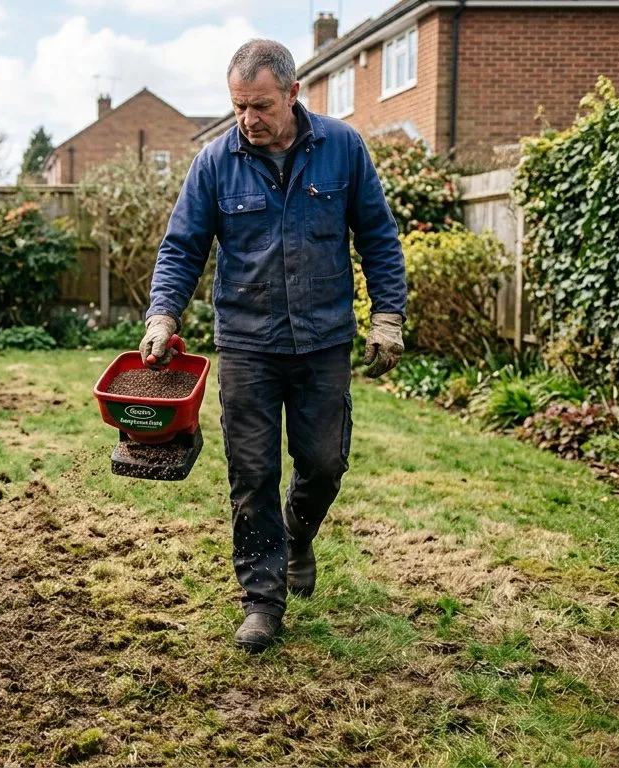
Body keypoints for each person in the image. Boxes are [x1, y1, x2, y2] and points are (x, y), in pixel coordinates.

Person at [139, 39, 407, 653]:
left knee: (323, 464)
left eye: (260, 106)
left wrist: (387, 315)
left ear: (291, 93)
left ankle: (297, 534)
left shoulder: (342, 149)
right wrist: (162, 315)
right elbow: (182, 247)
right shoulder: (215, 162)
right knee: (252, 473)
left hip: (322, 341)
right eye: (238, 107)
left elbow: (378, 236)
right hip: (248, 345)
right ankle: (262, 600)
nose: (248, 120)